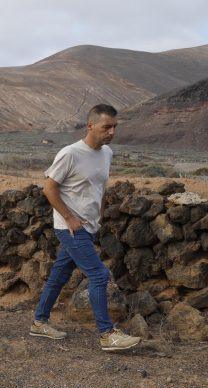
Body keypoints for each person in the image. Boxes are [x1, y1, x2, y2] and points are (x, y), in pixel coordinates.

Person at [30, 104, 141, 352]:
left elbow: (99, 186)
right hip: (70, 228)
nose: (112, 132)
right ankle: (107, 334)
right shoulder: (70, 153)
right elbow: (49, 188)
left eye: (114, 127)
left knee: (59, 275)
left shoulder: (107, 153)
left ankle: (39, 322)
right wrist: (69, 218)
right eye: (106, 127)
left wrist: (99, 216)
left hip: (89, 226)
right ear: (90, 125)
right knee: (99, 275)